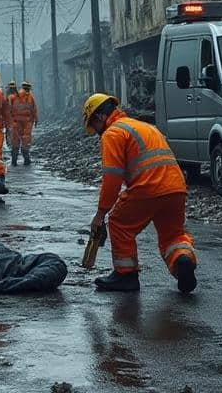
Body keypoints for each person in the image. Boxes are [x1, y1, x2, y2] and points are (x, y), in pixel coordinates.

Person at [82, 93, 197, 294]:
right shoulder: (144, 126)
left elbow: (112, 179)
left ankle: (125, 275)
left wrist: (101, 214)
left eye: (94, 124)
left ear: (100, 117)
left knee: (118, 223)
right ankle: (182, 260)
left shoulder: (113, 133)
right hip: (176, 188)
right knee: (174, 235)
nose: (97, 132)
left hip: (148, 188)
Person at [9, 81, 38, 166]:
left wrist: (9, 122)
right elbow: (34, 109)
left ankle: (14, 160)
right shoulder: (30, 97)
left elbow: (9, 110)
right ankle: (26, 159)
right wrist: (36, 119)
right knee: (26, 140)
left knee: (15, 140)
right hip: (27, 122)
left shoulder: (13, 96)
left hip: (16, 122)